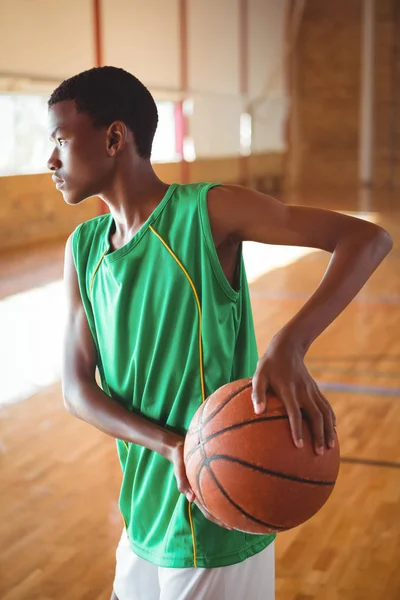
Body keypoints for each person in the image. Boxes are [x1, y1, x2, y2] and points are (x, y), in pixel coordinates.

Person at [47, 66, 392, 600]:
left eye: (62, 140)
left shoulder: (206, 212)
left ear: (115, 137)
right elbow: (75, 389)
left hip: (219, 510)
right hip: (144, 509)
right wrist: (170, 446)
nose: (51, 160)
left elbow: (364, 239)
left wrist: (290, 342)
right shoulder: (84, 248)